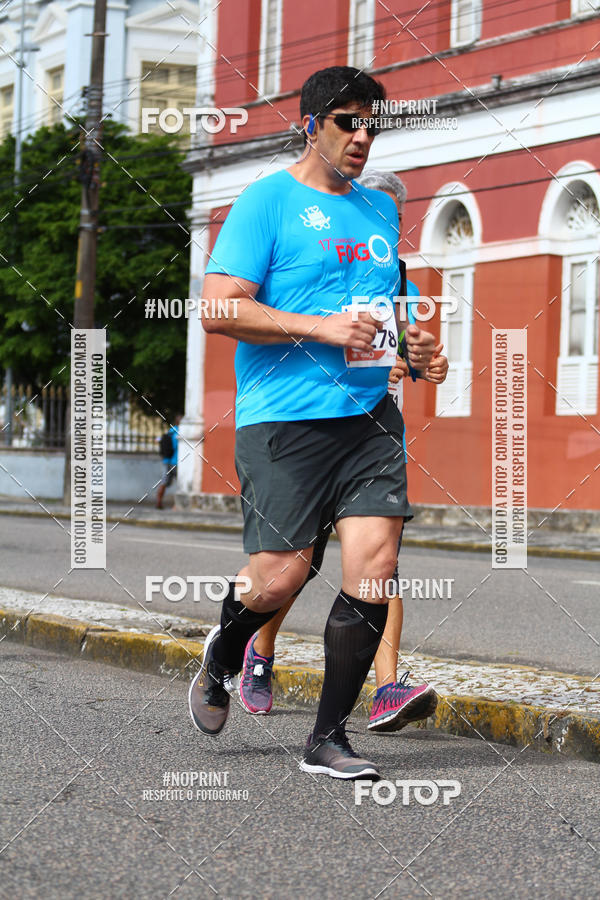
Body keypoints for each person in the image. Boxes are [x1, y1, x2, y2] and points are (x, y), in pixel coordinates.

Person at [188, 66, 437, 780]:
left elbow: (395, 307)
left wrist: (416, 348)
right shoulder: (266, 202)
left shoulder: (377, 212)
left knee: (376, 568)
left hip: (367, 419)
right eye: (347, 123)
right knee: (278, 579)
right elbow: (219, 307)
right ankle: (224, 649)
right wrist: (321, 330)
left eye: (371, 125)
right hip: (283, 422)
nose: (362, 138)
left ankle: (327, 738)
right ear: (310, 125)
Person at [236, 171, 449, 734]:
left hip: (369, 435)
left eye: (395, 219)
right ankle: (256, 650)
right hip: (301, 429)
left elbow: (415, 353)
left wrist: (427, 360)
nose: (388, 226)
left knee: (380, 568)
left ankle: (385, 689)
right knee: (292, 565)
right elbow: (234, 312)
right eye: (380, 214)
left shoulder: (396, 276)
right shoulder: (311, 249)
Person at [156, 414, 181, 510]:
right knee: (180, 484)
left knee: (164, 482)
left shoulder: (170, 431)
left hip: (166, 461)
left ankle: (159, 501)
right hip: (176, 462)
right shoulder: (180, 433)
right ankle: (176, 505)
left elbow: (158, 439)